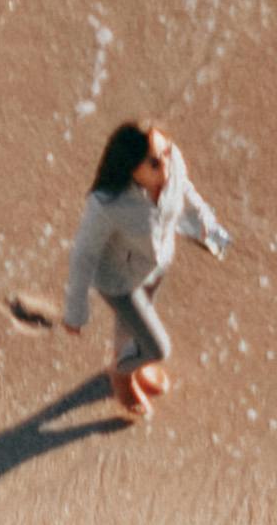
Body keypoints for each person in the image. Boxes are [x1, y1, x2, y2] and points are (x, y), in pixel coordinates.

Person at [61, 119, 228, 424]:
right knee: (157, 347)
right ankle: (121, 375)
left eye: (166, 152)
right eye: (154, 161)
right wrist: (75, 311)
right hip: (118, 281)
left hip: (155, 264)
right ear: (131, 167)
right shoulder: (107, 203)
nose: (166, 163)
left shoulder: (172, 164)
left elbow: (185, 191)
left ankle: (131, 363)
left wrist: (209, 229)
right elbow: (84, 255)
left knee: (132, 327)